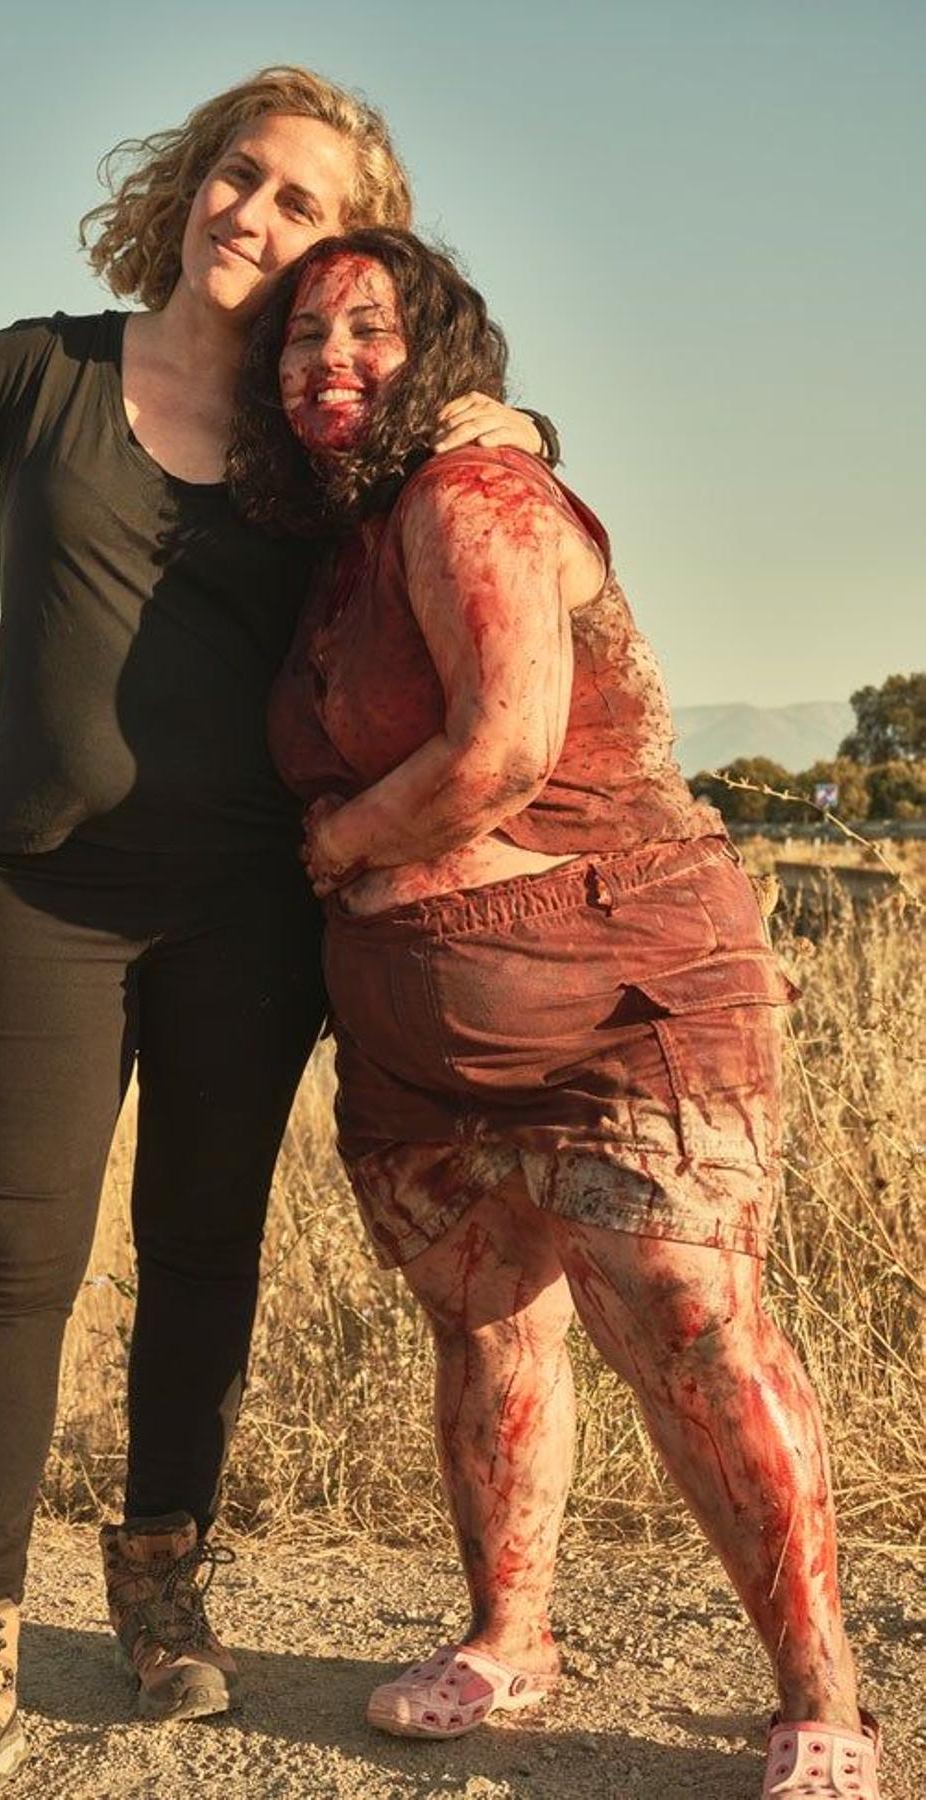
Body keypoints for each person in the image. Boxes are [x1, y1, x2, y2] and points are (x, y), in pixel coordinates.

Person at [0, 70, 553, 1799]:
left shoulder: (325, 435)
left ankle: (158, 1583)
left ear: (341, 252)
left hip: (249, 914)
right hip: (40, 894)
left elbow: (471, 502)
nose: (249, 218)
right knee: (6, 1272)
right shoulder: (38, 367)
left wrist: (500, 431)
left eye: (295, 206)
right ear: (184, 185)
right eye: (234, 177)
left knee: (203, 1256)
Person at [233, 227, 881, 1800]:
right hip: (422, 1047)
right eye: (302, 339)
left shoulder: (480, 493)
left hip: (614, 1001)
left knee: (695, 1326)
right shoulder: (346, 530)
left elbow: (506, 748)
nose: (330, 360)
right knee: (488, 1321)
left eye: (369, 331)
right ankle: (508, 1637)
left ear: (441, 350)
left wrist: (335, 846)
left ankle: (825, 1700)